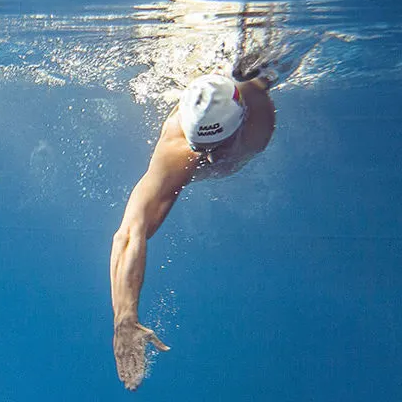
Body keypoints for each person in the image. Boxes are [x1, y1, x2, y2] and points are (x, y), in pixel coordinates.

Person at [109, 67, 280, 390]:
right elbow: (130, 232)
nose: (211, 161)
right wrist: (124, 317)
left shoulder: (258, 114)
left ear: (240, 125)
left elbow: (258, 80)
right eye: (202, 150)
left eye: (220, 148)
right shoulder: (178, 147)